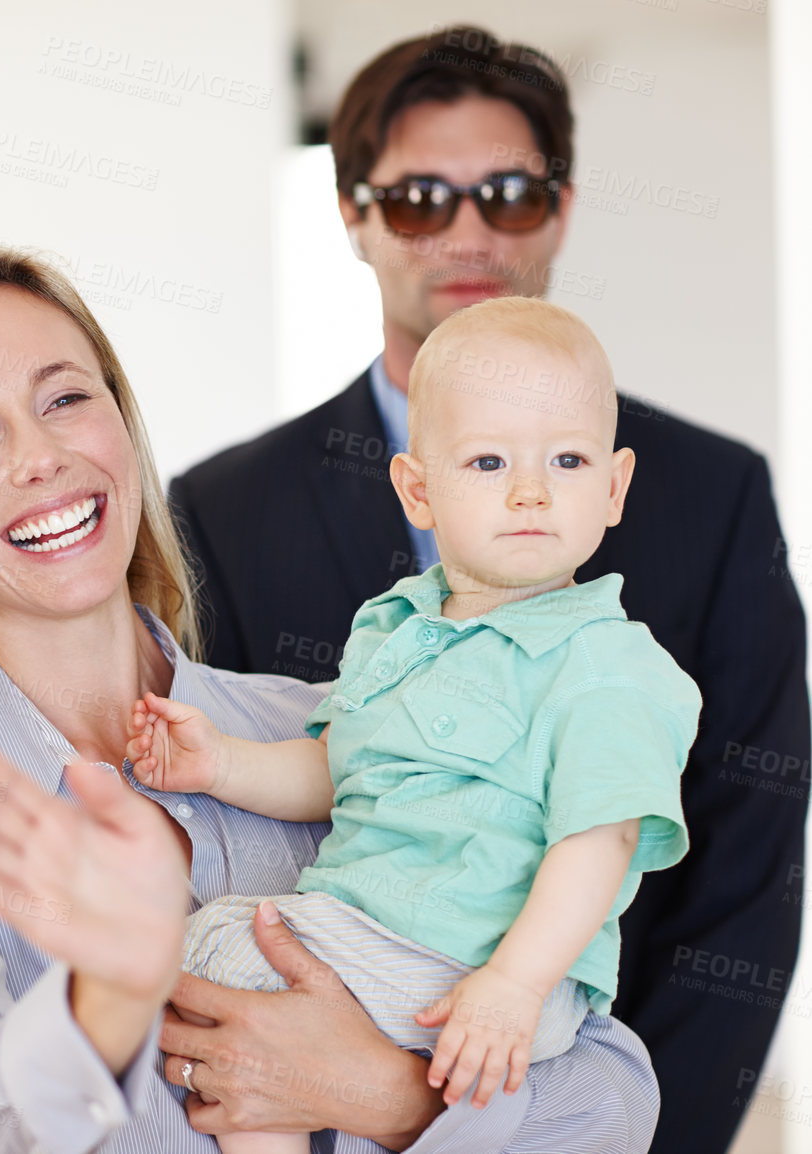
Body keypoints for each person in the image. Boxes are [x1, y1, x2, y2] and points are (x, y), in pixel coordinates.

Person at [0, 245, 660, 1154]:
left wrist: (379, 1094)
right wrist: (106, 1000)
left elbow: (613, 1101)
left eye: (65, 399)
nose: (41, 457)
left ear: (121, 423)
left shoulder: (334, 727)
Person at [168, 27, 808, 1151]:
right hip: (291, 1037)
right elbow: (265, 791)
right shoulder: (219, 506)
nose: (465, 230)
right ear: (352, 215)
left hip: (577, 1090)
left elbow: (745, 864)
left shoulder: (713, 494)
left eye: (507, 192)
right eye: (417, 196)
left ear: (558, 210)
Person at [127, 298, 698, 1153]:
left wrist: (512, 982)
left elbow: (602, 839)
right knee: (218, 984)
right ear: (419, 489)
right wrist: (220, 766)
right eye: (489, 460)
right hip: (383, 938)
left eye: (568, 460)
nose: (531, 489)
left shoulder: (606, 662)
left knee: (221, 965)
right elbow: (338, 772)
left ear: (614, 488)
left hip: (475, 964)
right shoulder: (393, 627)